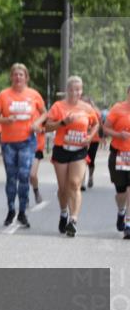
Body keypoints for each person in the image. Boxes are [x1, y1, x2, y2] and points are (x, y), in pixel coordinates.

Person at [0, 63, 46, 228]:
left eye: (21, 75)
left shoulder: (34, 94)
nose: (18, 77)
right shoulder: (4, 95)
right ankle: (11, 210)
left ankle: (22, 210)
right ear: (11, 77)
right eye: (15, 74)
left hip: (27, 142)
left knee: (24, 176)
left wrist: (37, 123)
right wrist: (5, 120)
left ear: (26, 77)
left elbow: (45, 112)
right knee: (11, 178)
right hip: (8, 143)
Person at [44, 76, 99, 238]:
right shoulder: (58, 106)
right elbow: (46, 127)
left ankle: (73, 220)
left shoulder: (87, 108)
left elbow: (95, 123)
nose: (75, 92)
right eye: (72, 89)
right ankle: (63, 212)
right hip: (61, 149)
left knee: (74, 184)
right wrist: (63, 122)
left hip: (79, 150)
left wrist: (89, 136)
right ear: (67, 90)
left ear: (81, 90)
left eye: (78, 89)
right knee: (63, 188)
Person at [102, 85, 130, 239]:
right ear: (128, 93)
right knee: (121, 192)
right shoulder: (118, 109)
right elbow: (105, 129)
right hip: (118, 155)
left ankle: (128, 224)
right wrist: (119, 135)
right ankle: (121, 211)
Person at [83, 96, 103, 190]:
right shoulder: (79, 111)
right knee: (82, 159)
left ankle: (90, 176)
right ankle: (81, 181)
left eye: (87, 102)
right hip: (82, 140)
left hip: (94, 140)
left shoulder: (96, 112)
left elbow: (100, 125)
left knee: (91, 160)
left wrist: (102, 137)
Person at [30, 128, 47, 205]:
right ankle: (24, 196)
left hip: (37, 149)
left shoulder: (41, 117)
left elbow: (47, 127)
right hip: (23, 147)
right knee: (24, 174)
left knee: (32, 174)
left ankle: (36, 191)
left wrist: (42, 130)